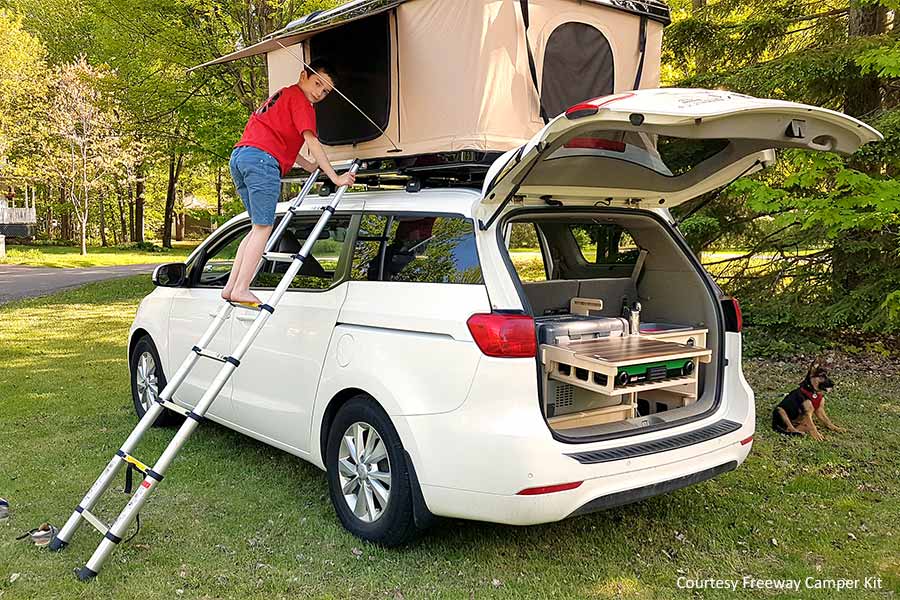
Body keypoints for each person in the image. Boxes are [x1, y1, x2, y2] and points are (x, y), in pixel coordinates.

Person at [223, 58, 355, 306]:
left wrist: (309, 166)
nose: (319, 93)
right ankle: (241, 287)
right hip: (262, 161)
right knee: (264, 228)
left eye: (325, 91)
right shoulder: (302, 102)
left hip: (242, 156)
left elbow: (285, 142)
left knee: (256, 228)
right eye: (317, 84)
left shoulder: (283, 95)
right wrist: (335, 177)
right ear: (303, 75)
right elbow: (312, 141)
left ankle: (231, 287)